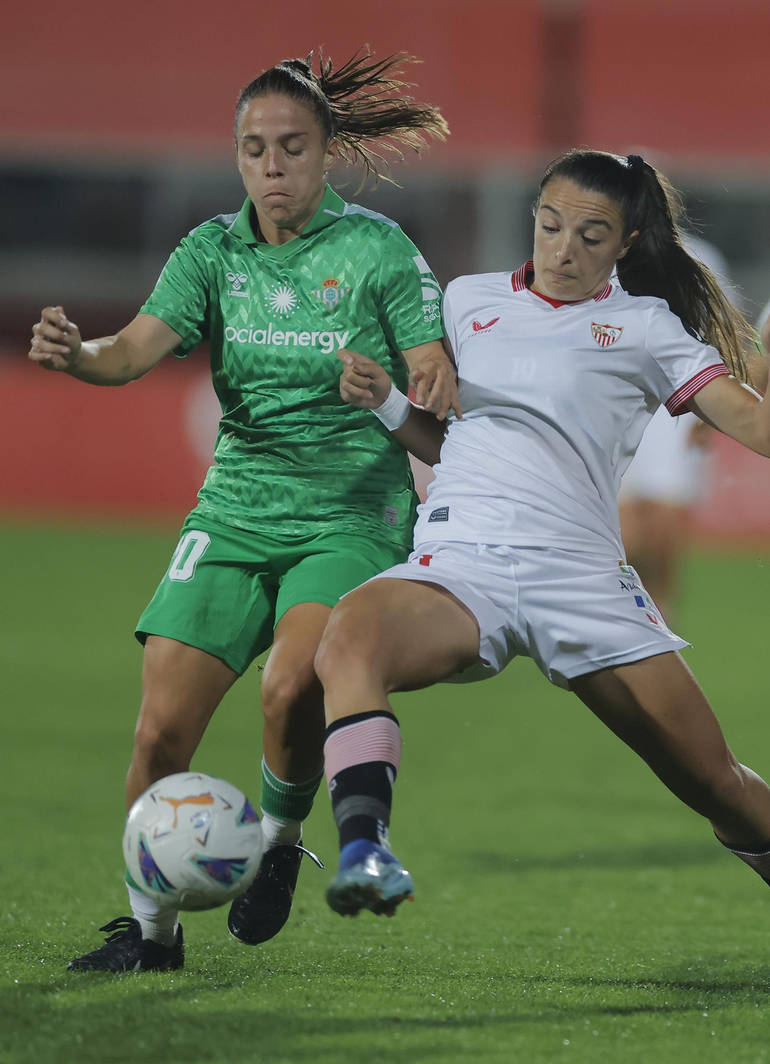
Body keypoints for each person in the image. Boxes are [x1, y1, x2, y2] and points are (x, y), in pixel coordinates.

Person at [320, 150, 770, 999]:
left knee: (715, 781)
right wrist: (388, 407)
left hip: (582, 581)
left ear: (625, 242)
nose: (563, 248)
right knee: (349, 638)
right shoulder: (467, 300)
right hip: (466, 562)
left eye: (590, 236)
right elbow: (455, 447)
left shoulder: (646, 329)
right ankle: (366, 846)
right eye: (551, 224)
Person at [27, 50, 457, 972]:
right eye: (254, 149)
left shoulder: (378, 250)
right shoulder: (210, 251)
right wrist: (78, 352)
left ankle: (277, 837)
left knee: (290, 686)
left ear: (326, 151)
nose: (272, 166)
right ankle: (151, 934)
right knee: (158, 732)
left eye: (291, 147)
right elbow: (133, 349)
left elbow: (432, 387)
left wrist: (420, 375)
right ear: (236, 157)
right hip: (233, 510)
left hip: (349, 515)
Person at [616, 232, 731, 623]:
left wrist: (716, 407)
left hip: (680, 401)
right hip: (614, 401)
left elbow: (724, 332)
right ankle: (628, 625)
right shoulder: (594, 251)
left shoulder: (700, 256)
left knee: (664, 532)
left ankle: (662, 626)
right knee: (625, 538)